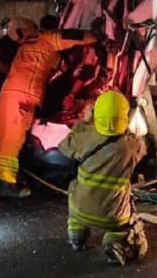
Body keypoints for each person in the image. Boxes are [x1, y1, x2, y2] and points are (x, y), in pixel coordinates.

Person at [0, 14, 97, 198]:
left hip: (8, 94)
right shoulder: (47, 39)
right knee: (13, 139)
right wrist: (95, 35)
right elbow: (73, 36)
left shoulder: (23, 46)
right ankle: (6, 182)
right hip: (24, 96)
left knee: (0, 135)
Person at [58, 90, 148, 266]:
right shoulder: (131, 146)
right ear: (125, 117)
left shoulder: (85, 137)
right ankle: (114, 241)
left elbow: (64, 145)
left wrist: (84, 122)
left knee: (76, 213)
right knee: (123, 225)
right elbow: (142, 148)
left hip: (80, 209)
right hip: (112, 215)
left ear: (95, 113)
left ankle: (77, 238)